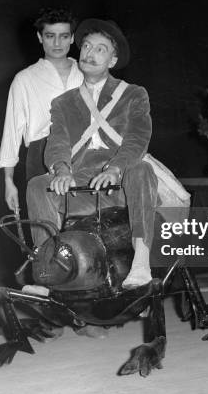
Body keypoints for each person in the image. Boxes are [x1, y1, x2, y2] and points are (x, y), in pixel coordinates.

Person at [26, 18, 158, 291]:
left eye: (100, 49)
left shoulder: (134, 94)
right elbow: (58, 142)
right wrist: (61, 169)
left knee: (142, 169)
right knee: (38, 184)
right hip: (81, 188)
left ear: (113, 59)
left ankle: (141, 264)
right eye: (86, 46)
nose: (89, 53)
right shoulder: (62, 103)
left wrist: (116, 168)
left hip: (122, 185)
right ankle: (46, 271)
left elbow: (137, 139)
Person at [0, 8, 84, 213]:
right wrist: (8, 181)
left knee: (85, 226)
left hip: (84, 152)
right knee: (47, 228)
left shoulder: (86, 73)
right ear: (39, 37)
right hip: (41, 155)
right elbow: (12, 130)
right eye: (50, 36)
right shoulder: (25, 79)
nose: (57, 43)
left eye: (64, 36)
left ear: (72, 39)